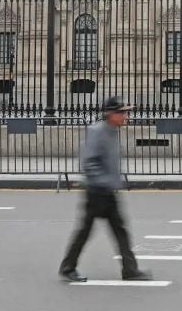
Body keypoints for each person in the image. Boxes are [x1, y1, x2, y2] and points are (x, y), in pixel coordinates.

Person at [58, 97, 153, 283]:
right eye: (122, 112)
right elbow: (88, 162)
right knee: (85, 232)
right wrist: (105, 181)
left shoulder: (112, 131)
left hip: (107, 191)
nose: (126, 116)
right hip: (96, 192)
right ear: (111, 114)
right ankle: (68, 267)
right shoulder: (97, 131)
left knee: (120, 230)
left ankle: (130, 269)